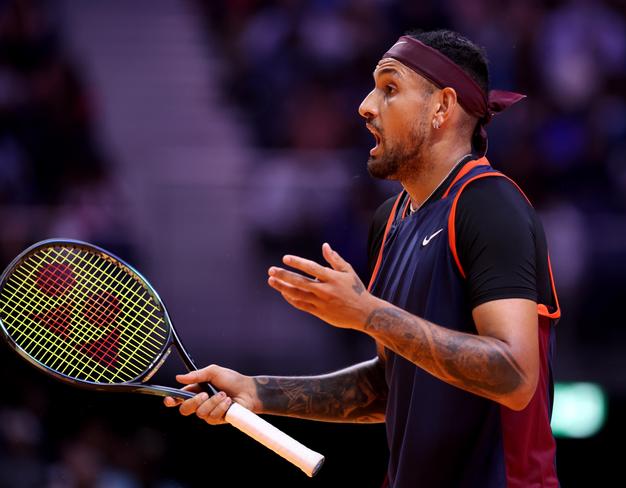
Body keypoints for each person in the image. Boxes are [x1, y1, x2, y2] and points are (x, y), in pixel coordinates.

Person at [164, 29, 561, 487]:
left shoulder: (489, 204)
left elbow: (514, 376)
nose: (366, 105)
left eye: (390, 89)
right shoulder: (389, 221)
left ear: (442, 107)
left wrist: (369, 314)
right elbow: (388, 386)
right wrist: (258, 391)